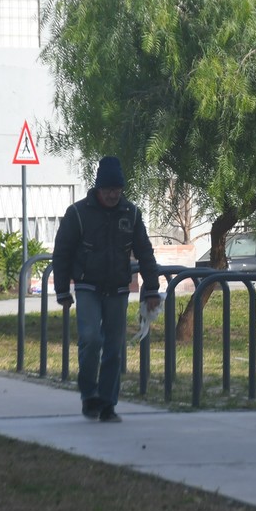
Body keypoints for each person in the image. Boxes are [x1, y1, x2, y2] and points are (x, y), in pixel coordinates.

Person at [53, 156, 160, 423]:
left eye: (117, 190)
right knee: (91, 340)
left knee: (114, 347)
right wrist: (62, 290)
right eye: (108, 189)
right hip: (88, 286)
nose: (112, 195)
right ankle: (89, 394)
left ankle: (108, 403)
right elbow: (62, 252)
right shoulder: (78, 213)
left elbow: (145, 253)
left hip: (118, 289)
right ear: (98, 188)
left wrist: (152, 290)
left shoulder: (131, 213)